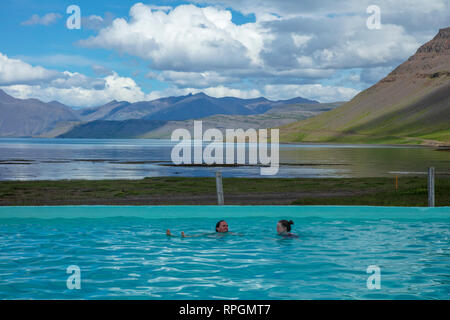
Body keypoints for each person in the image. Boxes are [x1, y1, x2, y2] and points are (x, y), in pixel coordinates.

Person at [166, 220, 236, 237]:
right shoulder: (213, 234)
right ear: (217, 228)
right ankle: (182, 236)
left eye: (227, 226)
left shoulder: (230, 234)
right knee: (201, 235)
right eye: (224, 226)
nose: (226, 227)